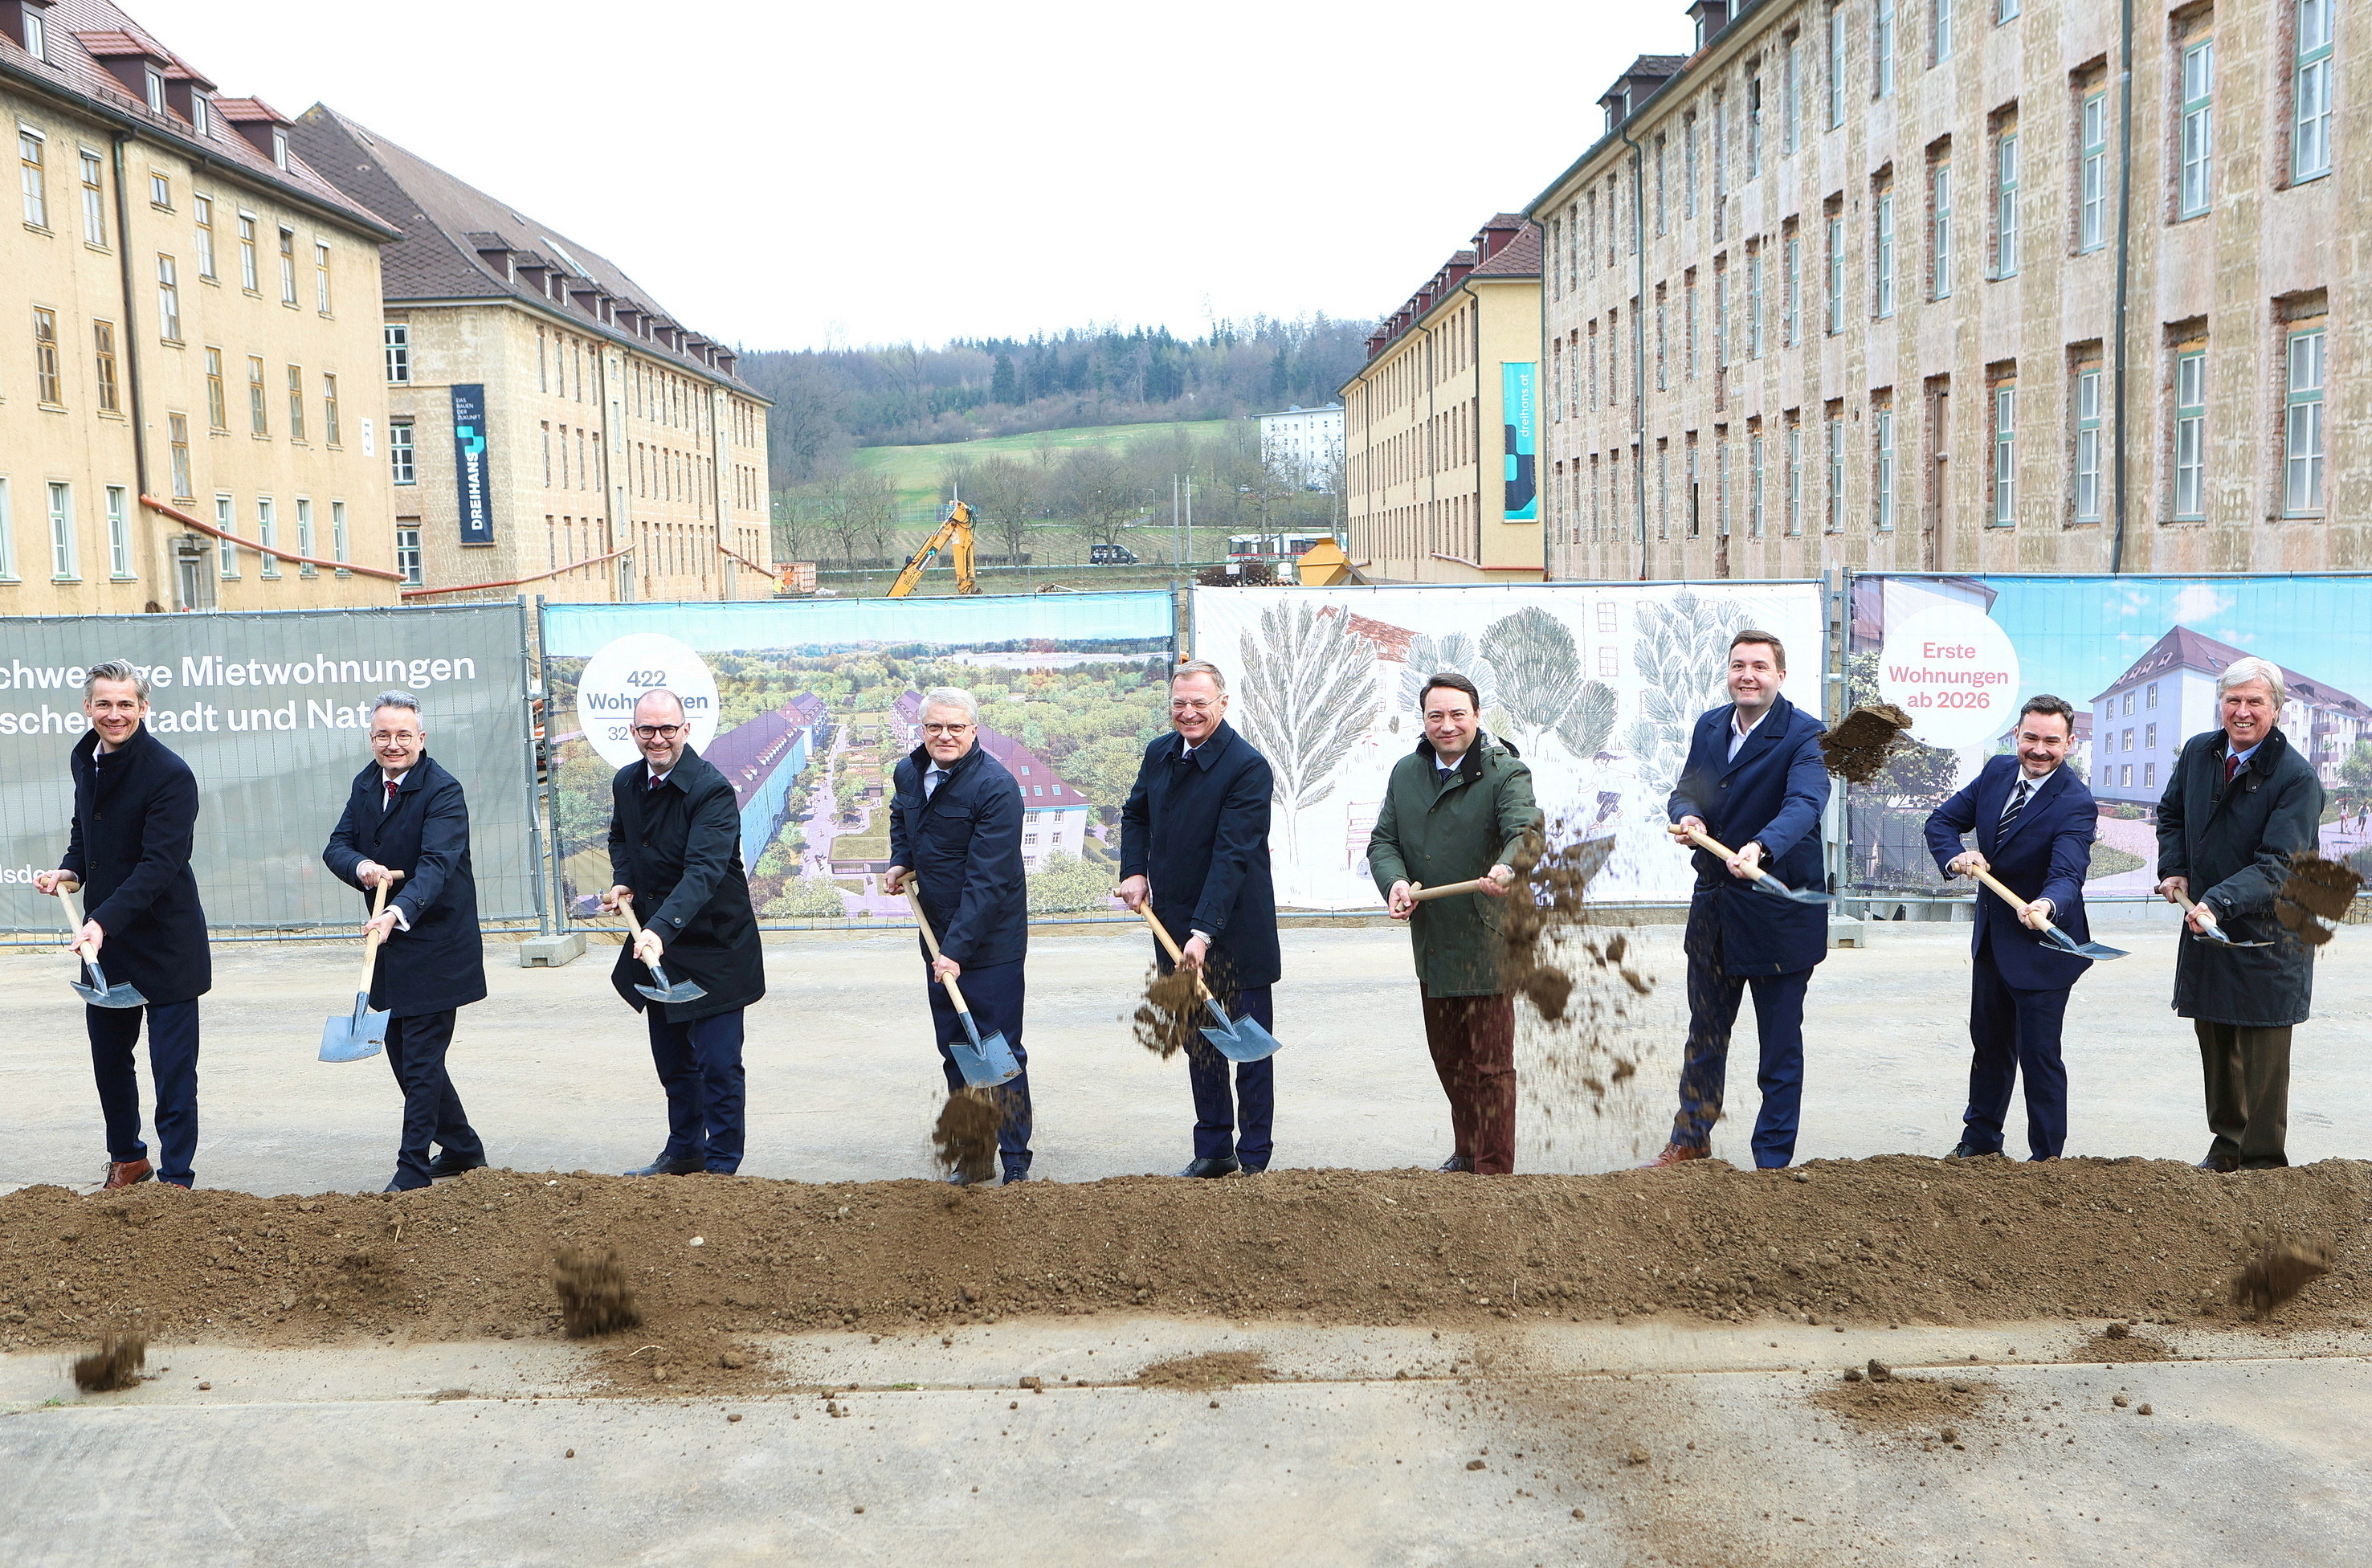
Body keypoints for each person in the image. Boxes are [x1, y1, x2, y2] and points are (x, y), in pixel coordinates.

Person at [1652, 630, 1831, 1171]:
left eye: (1758, 666)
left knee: (1778, 1048)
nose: (1746, 675)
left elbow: (1806, 802)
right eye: (1737, 665)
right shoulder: (1710, 725)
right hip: (1714, 909)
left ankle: (1771, 1160)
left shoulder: (1805, 736)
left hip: (1777, 914)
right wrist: (1687, 814)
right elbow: (1686, 788)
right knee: (1704, 1034)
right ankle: (1690, 1139)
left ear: (1780, 674)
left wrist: (1760, 846)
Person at [35, 661, 211, 1190]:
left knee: (172, 1070)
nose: (114, 714)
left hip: (164, 940)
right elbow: (85, 830)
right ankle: (128, 1159)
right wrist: (71, 868)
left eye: (125, 704)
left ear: (143, 708)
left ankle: (177, 1179)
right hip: (104, 942)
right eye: (104, 704)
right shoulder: (84, 758)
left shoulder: (169, 774)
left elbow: (159, 865)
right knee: (110, 1061)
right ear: (88, 707)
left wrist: (102, 920)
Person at [2154, 656, 2326, 1171]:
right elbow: (2171, 815)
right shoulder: (2199, 753)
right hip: (2208, 928)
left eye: (2255, 701)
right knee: (2216, 1046)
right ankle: (2226, 1150)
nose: (2243, 712)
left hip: (2269, 939)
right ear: (2221, 703)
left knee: (2262, 1060)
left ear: (2277, 708)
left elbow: (2280, 866)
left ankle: (2263, 1164)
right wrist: (2175, 867)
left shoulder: (2296, 778)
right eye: (2234, 700)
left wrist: (2218, 901)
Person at [1367, 672, 1540, 1176]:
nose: (1447, 725)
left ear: (1477, 716)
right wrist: (1395, 882)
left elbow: (1525, 829)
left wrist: (1507, 867)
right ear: (1424, 721)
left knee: (1490, 1065)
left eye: (1457, 714)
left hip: (1487, 937)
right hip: (1435, 940)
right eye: (1435, 715)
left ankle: (1493, 1168)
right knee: (1449, 1058)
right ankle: (1467, 1152)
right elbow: (1384, 842)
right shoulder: (1407, 773)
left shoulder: (1504, 772)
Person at [1118, 659, 1280, 1178]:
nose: (1187, 713)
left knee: (1247, 1045)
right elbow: (1135, 814)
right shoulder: (1159, 753)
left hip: (1234, 929)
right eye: (1179, 704)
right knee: (1198, 1040)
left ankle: (1254, 1157)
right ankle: (1213, 1148)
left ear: (1223, 704)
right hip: (1173, 924)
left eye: (1199, 704)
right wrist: (1134, 872)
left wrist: (1202, 932)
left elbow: (1232, 856)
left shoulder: (1246, 767)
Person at [322, 692, 490, 1192]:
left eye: (402, 736)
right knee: (402, 1054)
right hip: (390, 946)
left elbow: (438, 865)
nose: (392, 745)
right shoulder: (366, 783)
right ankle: (462, 1148)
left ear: (421, 738)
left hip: (436, 942)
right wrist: (363, 867)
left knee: (420, 1060)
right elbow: (337, 846)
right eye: (382, 736)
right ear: (371, 738)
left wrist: (397, 910)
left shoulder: (443, 791)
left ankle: (412, 1168)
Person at [1923, 695, 2098, 1161]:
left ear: (2070, 743)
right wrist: (1955, 856)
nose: (2039, 750)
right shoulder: (1998, 772)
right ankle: (1979, 1145)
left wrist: (2047, 903)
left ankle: (2047, 1161)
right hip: (1993, 939)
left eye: (2051, 741)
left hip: (2044, 945)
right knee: (1990, 1045)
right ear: (2016, 736)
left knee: (2039, 1056)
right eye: (2031, 738)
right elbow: (1940, 822)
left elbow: (2068, 872)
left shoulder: (2076, 802)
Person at [602, 688, 765, 1177]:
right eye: (647, 730)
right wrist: (624, 879)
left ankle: (722, 1165)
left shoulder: (710, 790)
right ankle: (684, 1150)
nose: (658, 739)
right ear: (634, 732)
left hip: (714, 945)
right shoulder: (627, 783)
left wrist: (656, 929)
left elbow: (703, 872)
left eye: (667, 729)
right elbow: (620, 838)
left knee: (717, 1064)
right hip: (662, 949)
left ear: (685, 730)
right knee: (675, 1064)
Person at [884, 686, 1033, 1184]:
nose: (943, 736)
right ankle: (975, 1155)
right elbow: (901, 817)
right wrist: (900, 858)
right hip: (938, 934)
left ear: (974, 730)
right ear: (921, 729)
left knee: (999, 1050)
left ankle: (1015, 1159)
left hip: (989, 942)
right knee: (956, 1049)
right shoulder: (909, 771)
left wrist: (955, 952)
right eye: (934, 727)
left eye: (955, 727)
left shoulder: (996, 787)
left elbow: (988, 881)